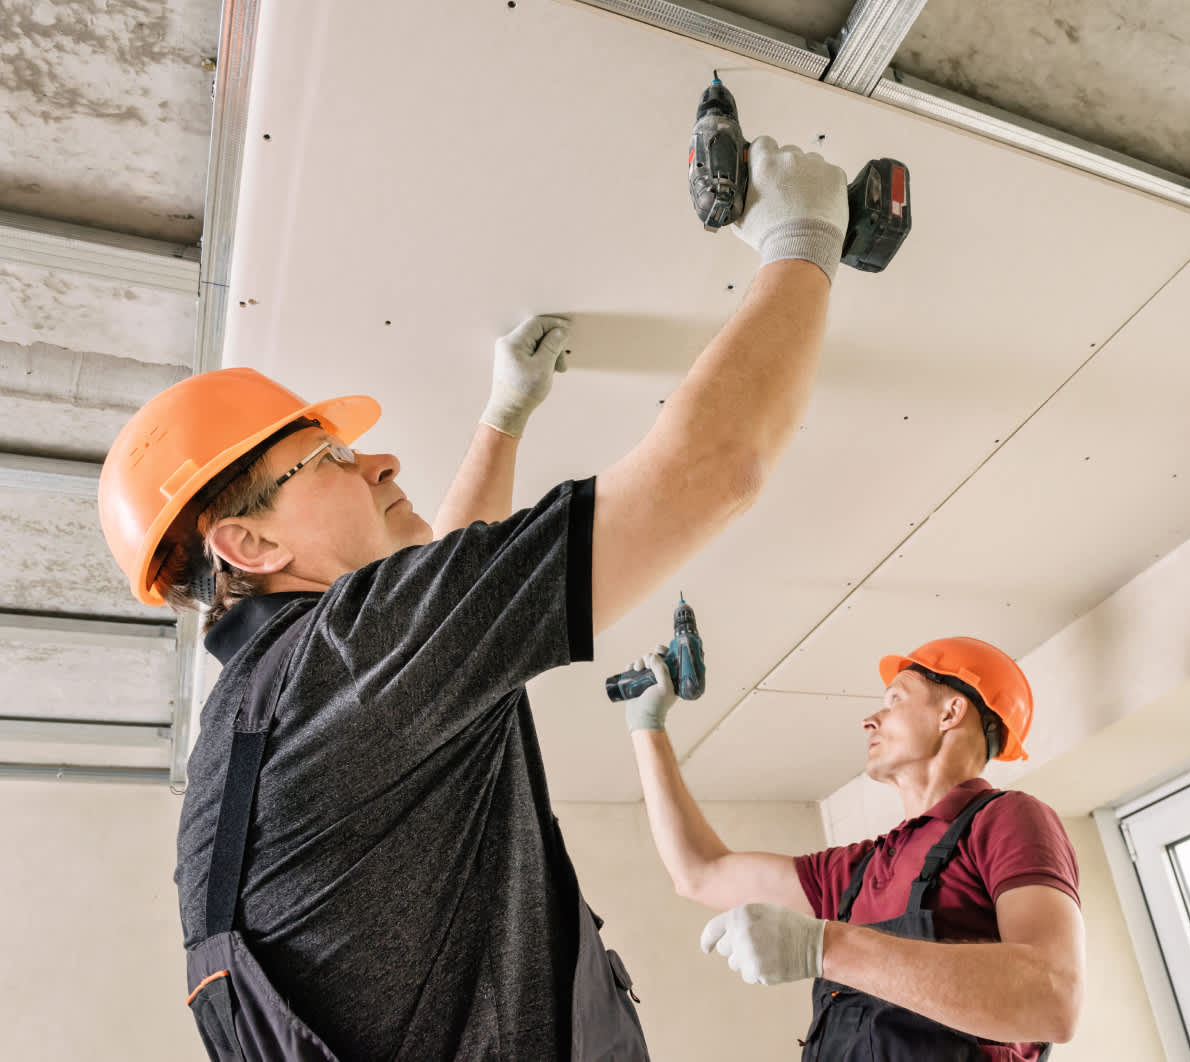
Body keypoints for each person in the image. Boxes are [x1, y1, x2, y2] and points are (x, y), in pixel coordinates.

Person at [97, 135, 850, 1061]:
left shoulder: (251, 733)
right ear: (249, 543)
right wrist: (805, 237)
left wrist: (505, 416)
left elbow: (441, 609)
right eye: (329, 457)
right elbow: (710, 472)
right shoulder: (351, 659)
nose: (379, 460)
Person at [624, 636, 1084, 1060]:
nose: (870, 719)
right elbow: (700, 873)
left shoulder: (1005, 819)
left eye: (895, 700)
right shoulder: (858, 871)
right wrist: (648, 727)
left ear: (951, 713)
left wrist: (825, 946)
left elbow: (1053, 996)